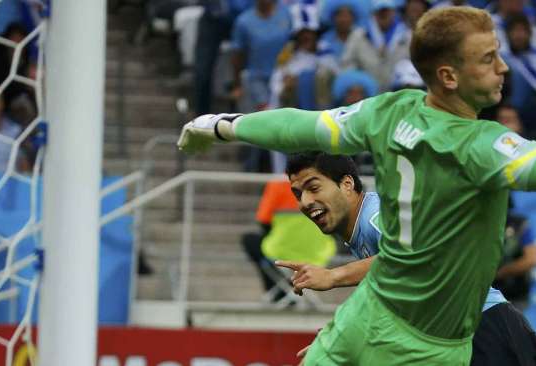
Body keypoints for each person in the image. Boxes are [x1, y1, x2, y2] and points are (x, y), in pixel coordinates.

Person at [177, 6, 530, 364]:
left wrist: (223, 125)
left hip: (397, 320)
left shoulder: (388, 112)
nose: (502, 66)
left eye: (313, 187)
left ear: (347, 184)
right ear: (448, 77)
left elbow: (297, 126)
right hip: (429, 340)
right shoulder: (483, 144)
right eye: (489, 59)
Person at [276, 151, 536, 365]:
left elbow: (415, 255)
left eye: (313, 187)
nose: (305, 202)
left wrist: (333, 275)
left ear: (347, 184)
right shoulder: (360, 235)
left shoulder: (375, 216)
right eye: (298, 194)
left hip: (485, 328)